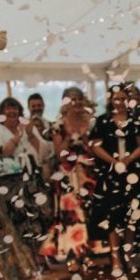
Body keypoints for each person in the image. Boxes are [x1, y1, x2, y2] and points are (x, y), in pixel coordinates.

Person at [88, 83, 140, 274]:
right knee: (112, 218)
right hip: (110, 173)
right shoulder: (103, 121)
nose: (120, 102)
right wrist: (114, 162)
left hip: (133, 172)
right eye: (116, 98)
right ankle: (115, 259)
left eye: (123, 98)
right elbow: (95, 146)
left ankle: (129, 255)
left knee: (131, 215)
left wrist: (128, 159)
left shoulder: (136, 120)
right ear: (110, 100)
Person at [38, 87, 97, 269]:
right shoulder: (58, 125)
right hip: (67, 174)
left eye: (79, 99)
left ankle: (86, 252)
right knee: (70, 216)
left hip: (87, 173)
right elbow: (60, 154)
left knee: (88, 213)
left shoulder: (91, 122)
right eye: (71, 99)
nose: (76, 102)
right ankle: (71, 255)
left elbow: (95, 148)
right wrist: (69, 136)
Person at [0, 97, 51, 256]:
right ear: (1, 113)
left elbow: (43, 153)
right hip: (10, 184)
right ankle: (26, 257)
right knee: (18, 220)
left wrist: (31, 135)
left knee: (38, 217)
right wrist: (17, 136)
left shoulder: (28, 128)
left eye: (15, 109)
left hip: (32, 181)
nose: (12, 112)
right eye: (8, 109)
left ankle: (40, 257)